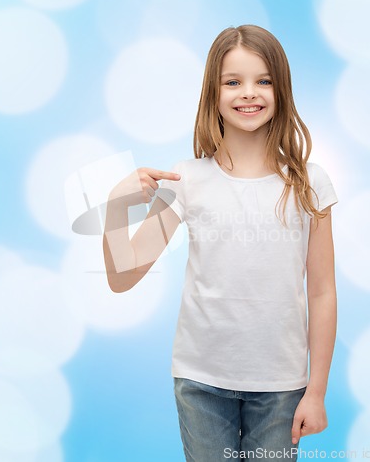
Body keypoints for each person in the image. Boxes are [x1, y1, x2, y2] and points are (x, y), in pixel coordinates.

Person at [103, 24, 338, 462]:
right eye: (233, 82)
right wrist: (117, 208)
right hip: (200, 382)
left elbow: (322, 291)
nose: (249, 93)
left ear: (281, 89)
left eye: (263, 80)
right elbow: (123, 277)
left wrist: (316, 390)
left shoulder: (309, 183)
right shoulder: (186, 180)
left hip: (282, 386)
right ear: (213, 93)